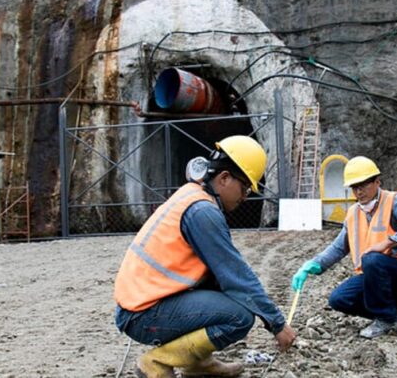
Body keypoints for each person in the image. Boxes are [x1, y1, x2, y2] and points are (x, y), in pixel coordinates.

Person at [113, 135, 297, 378]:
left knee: (222, 292)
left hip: (143, 305)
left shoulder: (192, 195)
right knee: (239, 316)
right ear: (223, 178)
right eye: (244, 189)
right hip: (142, 315)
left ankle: (197, 364)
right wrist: (277, 324)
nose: (244, 197)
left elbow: (220, 278)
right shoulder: (202, 212)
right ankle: (156, 363)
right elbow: (237, 277)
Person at [291, 156, 397, 338]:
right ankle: (395, 308)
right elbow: (339, 248)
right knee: (339, 299)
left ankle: (386, 319)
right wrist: (314, 264)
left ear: (377, 182)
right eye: (354, 187)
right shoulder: (354, 213)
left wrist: (389, 241)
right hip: (375, 273)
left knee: (371, 259)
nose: (358, 191)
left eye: (363, 185)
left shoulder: (396, 202)